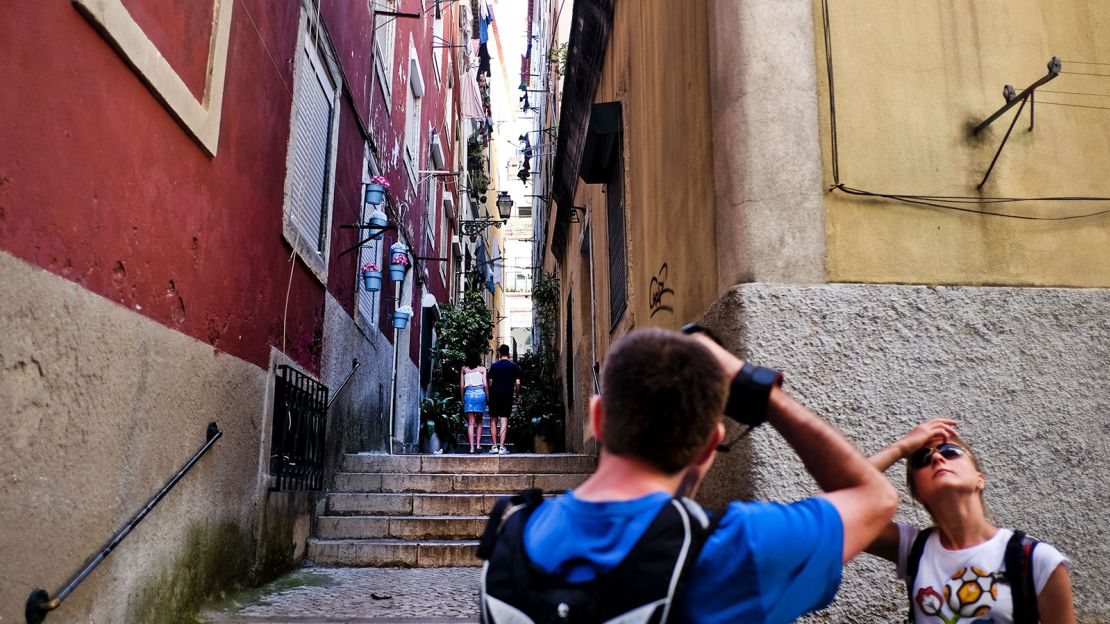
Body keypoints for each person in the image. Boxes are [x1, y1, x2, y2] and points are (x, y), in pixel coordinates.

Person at [479, 327, 898, 622]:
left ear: (598, 417)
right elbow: (875, 496)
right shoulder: (736, 548)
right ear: (709, 444)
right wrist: (756, 387)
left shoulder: (510, 536)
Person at [865, 419, 1075, 623]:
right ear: (917, 493)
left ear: (979, 478)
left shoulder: (1036, 559)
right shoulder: (912, 548)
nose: (937, 458)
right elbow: (838, 505)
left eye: (950, 451)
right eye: (922, 459)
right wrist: (901, 448)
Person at [486, 344, 522, 455]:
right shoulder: (514, 366)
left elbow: (490, 382)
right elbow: (518, 383)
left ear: (499, 353)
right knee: (504, 420)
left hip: (494, 395)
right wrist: (517, 395)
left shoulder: (494, 366)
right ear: (509, 353)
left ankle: (494, 446)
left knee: (493, 419)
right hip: (507, 395)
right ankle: (502, 447)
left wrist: (490, 394)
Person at [460, 349, 488, 454]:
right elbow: (485, 385)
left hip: (469, 395)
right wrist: (488, 398)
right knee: (479, 422)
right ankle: (478, 445)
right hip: (480, 394)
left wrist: (463, 399)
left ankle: (471, 448)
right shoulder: (482, 369)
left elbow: (462, 386)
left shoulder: (464, 369)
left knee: (471, 423)